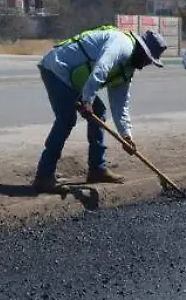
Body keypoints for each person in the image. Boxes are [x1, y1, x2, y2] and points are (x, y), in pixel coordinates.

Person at [31, 25, 168, 192]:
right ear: (141, 49)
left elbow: (120, 103)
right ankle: (44, 176)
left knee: (99, 112)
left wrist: (126, 135)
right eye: (147, 59)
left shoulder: (128, 68)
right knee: (66, 119)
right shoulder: (122, 45)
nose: (146, 64)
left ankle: (97, 169)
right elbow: (101, 68)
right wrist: (87, 100)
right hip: (58, 68)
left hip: (77, 80)